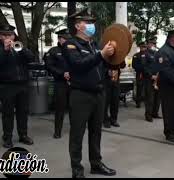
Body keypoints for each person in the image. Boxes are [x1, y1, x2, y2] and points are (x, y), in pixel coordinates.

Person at [62, 8, 116, 178]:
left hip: (99, 94)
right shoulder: (70, 45)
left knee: (96, 131)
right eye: (88, 23)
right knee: (77, 133)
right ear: (78, 26)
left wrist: (112, 62)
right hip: (81, 95)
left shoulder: (94, 45)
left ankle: (96, 163)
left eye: (92, 23)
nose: (92, 25)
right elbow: (79, 65)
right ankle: (77, 170)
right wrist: (101, 55)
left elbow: (100, 65)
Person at [0, 24, 35, 148]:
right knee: (7, 113)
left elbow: (31, 58)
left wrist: (22, 49)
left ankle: (23, 135)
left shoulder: (19, 46)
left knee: (23, 112)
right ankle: (7, 138)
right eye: (4, 35)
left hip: (23, 85)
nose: (8, 37)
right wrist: (5, 50)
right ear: (0, 36)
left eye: (10, 35)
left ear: (14, 36)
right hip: (7, 86)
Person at [44, 28, 72, 139]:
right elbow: (49, 66)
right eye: (65, 39)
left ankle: (75, 129)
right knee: (60, 109)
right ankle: (57, 131)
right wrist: (61, 73)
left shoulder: (73, 50)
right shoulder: (54, 51)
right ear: (60, 39)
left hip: (73, 83)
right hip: (60, 83)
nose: (68, 41)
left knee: (74, 108)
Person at [103, 61, 126, 128]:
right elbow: (100, 65)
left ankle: (113, 119)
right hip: (106, 81)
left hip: (116, 81)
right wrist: (107, 71)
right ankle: (105, 120)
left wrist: (121, 58)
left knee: (115, 101)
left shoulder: (119, 54)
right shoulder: (106, 53)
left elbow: (123, 65)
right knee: (106, 102)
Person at [146, 37, 161, 119]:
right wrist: (151, 75)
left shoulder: (157, 54)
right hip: (150, 78)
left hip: (157, 78)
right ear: (148, 44)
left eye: (154, 44)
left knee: (157, 98)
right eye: (151, 43)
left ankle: (155, 113)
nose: (153, 45)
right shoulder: (146, 54)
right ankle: (148, 115)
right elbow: (144, 67)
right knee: (150, 98)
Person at [132, 42, 147, 108]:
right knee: (139, 88)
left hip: (146, 74)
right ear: (140, 47)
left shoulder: (148, 55)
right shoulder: (136, 55)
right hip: (139, 73)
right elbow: (134, 65)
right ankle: (138, 102)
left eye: (144, 47)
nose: (143, 48)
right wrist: (141, 68)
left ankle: (145, 101)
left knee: (147, 88)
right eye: (142, 47)